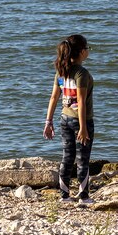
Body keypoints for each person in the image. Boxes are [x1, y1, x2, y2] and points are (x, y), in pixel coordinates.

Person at [43, 34, 94, 203]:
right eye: (87, 48)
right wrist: (83, 127)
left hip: (64, 118)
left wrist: (48, 122)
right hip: (80, 120)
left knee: (67, 156)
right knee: (83, 158)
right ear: (81, 52)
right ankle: (84, 195)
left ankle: (64, 195)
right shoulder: (82, 73)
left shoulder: (61, 71)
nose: (88, 51)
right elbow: (80, 102)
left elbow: (53, 97)